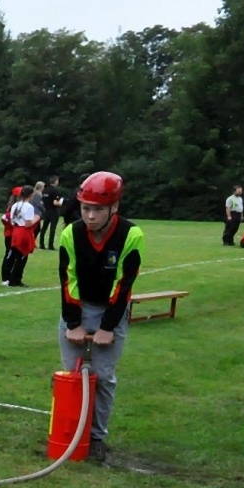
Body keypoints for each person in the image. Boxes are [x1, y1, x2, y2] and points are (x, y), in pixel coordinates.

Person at [60, 171, 143, 463]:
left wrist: (108, 327)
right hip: (78, 306)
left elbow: (124, 285)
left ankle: (96, 437)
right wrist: (73, 323)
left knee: (103, 377)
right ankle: (70, 433)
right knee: (71, 376)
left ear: (114, 208)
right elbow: (67, 280)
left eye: (98, 209)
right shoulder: (71, 233)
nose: (91, 216)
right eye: (86, 208)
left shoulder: (130, 235)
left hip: (111, 309)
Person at [2, 185, 41, 287]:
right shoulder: (29, 207)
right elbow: (28, 223)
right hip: (24, 231)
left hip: (16, 230)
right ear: (30, 195)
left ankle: (11, 278)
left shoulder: (15, 205)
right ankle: (15, 279)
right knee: (22, 256)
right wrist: (37, 218)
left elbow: (12, 219)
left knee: (14, 254)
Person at [38, 175, 65, 250]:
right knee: (52, 229)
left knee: (44, 228)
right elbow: (55, 203)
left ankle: (42, 244)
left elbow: (42, 202)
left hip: (46, 211)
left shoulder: (45, 190)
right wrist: (62, 202)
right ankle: (50, 245)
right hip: (53, 211)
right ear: (56, 181)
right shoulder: (55, 191)